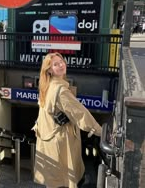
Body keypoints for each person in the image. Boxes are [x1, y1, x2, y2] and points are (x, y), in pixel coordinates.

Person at [32, 52, 102, 188]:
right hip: (60, 140)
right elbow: (81, 114)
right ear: (49, 70)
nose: (61, 65)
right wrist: (100, 131)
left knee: (53, 179)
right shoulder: (61, 91)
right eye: (55, 64)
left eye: (61, 62)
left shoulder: (46, 85)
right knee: (65, 178)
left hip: (47, 139)